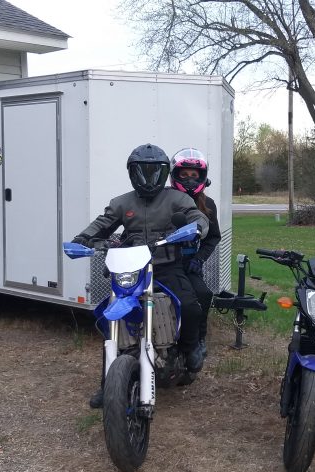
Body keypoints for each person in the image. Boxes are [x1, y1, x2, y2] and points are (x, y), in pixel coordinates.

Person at [71, 143, 210, 409]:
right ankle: (108, 385)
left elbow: (196, 217)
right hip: (132, 268)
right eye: (142, 171)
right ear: (132, 173)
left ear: (164, 173)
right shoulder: (122, 203)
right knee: (114, 319)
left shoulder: (178, 199)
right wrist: (84, 238)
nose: (149, 177)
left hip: (166, 265)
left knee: (191, 306)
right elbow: (103, 223)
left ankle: (191, 349)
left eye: (155, 171)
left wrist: (196, 228)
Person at [169, 148, 221, 356]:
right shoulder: (164, 199)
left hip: (189, 263)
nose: (190, 180)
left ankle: (199, 338)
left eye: (194, 175)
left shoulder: (207, 204)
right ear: (175, 175)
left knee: (203, 294)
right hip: (163, 261)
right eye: (184, 175)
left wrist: (199, 259)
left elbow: (213, 237)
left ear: (202, 178)